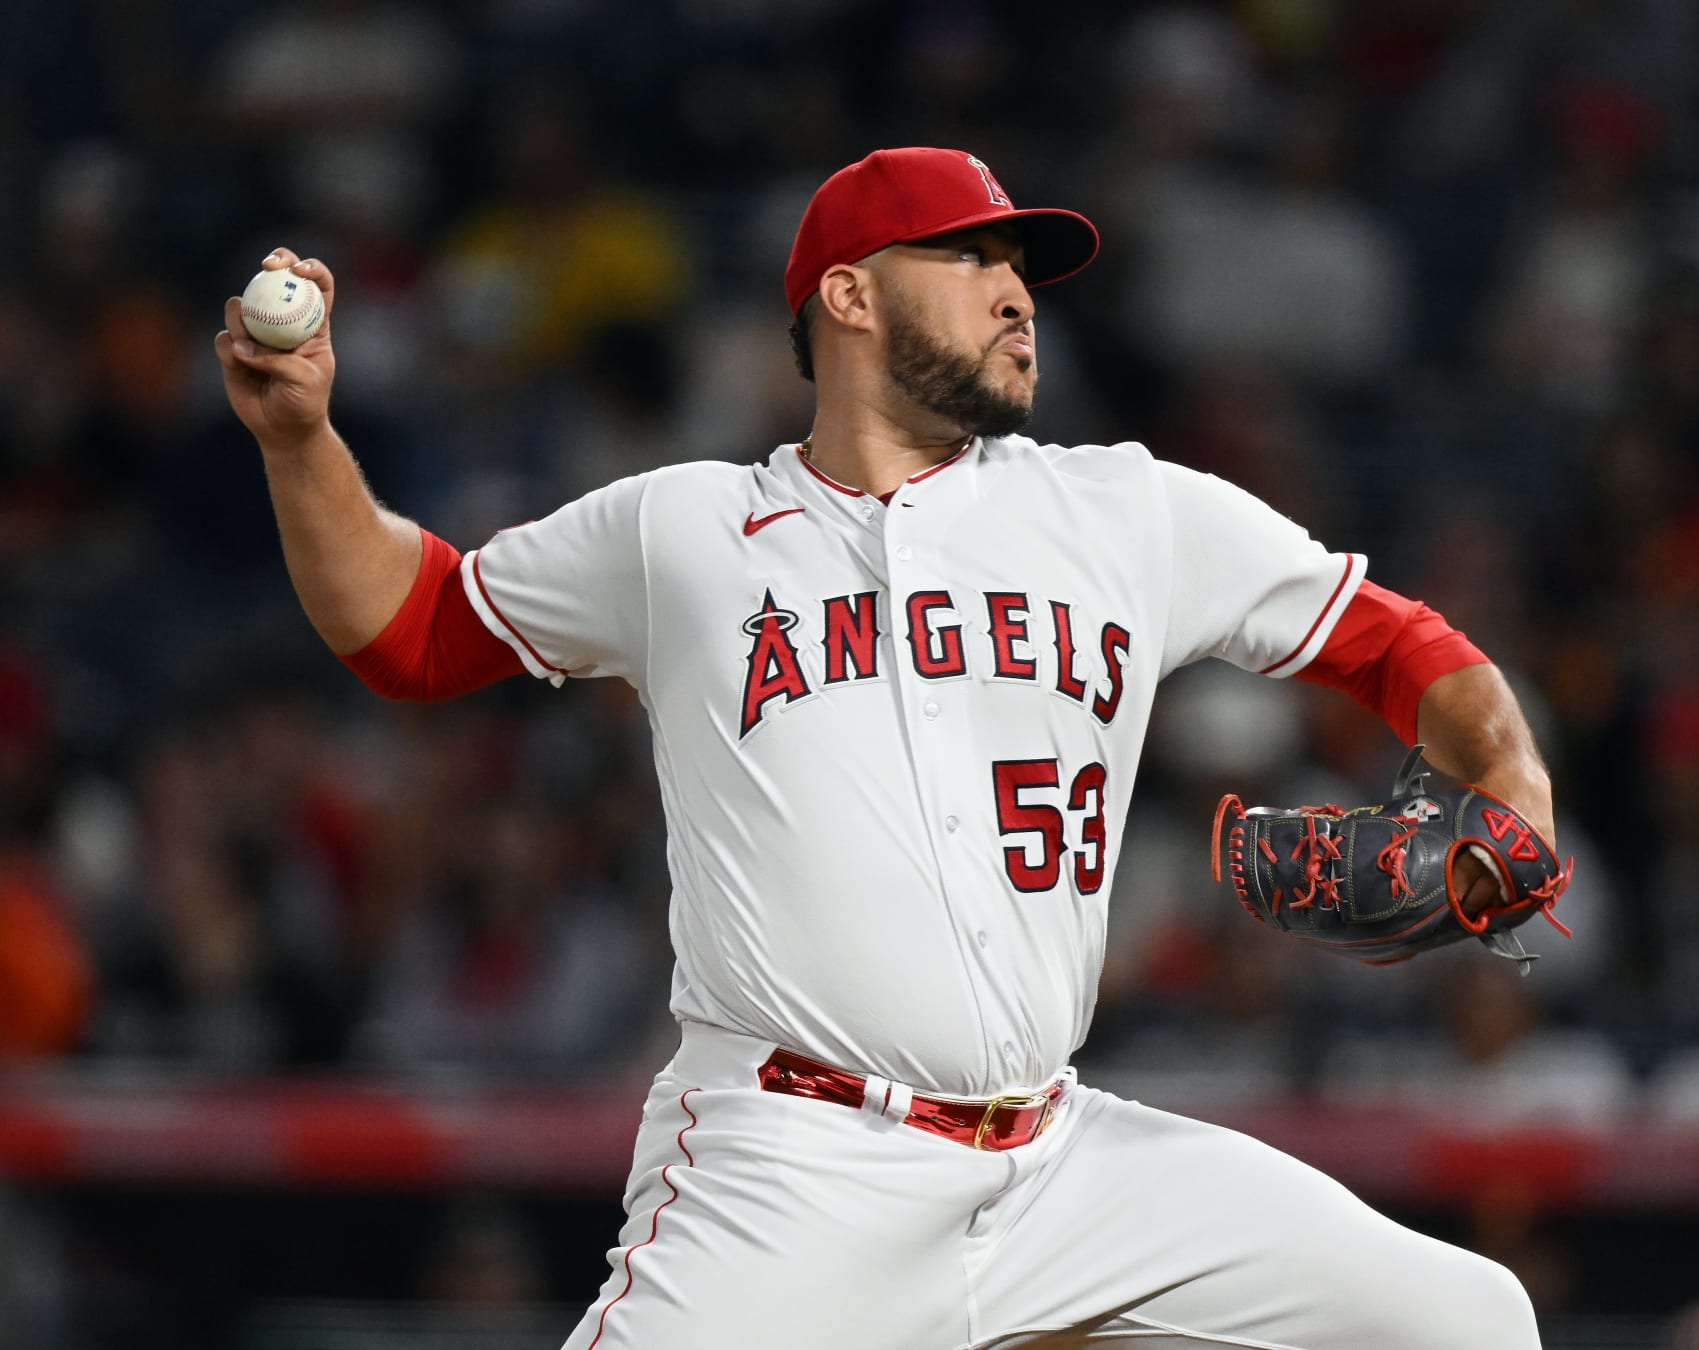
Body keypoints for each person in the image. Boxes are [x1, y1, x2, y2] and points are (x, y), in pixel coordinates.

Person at [216, 147, 1552, 1349]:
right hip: (796, 1166)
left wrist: (1514, 781)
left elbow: (1397, 645)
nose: (1017, 292)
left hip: (1063, 1164)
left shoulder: (1125, 511)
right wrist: (301, 439)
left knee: (1466, 1320)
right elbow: (411, 627)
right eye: (972, 258)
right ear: (847, 296)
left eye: (1022, 268)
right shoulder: (682, 531)